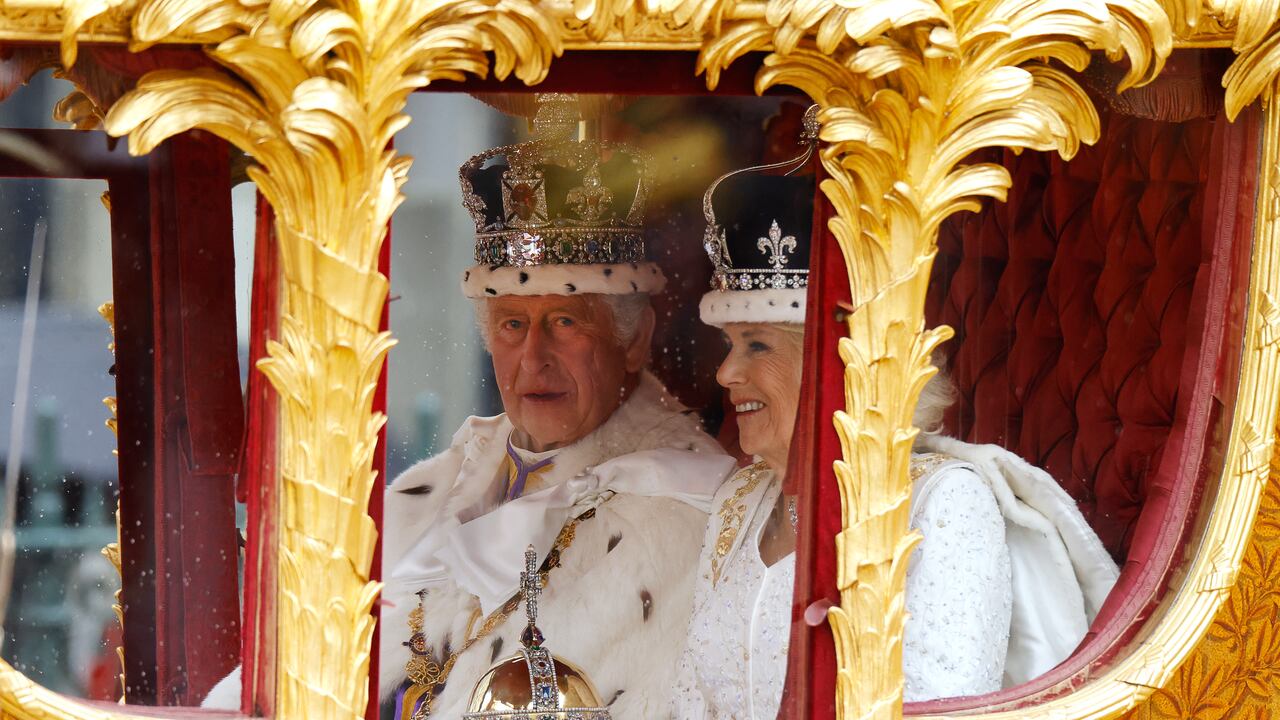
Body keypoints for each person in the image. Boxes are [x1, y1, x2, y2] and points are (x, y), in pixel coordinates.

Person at [670, 107, 1119, 719]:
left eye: (757, 345)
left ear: (837, 363)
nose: (726, 374)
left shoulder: (945, 504)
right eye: (730, 346)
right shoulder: (739, 502)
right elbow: (688, 702)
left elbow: (944, 706)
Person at [379, 95, 735, 720]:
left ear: (635, 340)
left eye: (565, 321)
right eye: (512, 324)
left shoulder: (685, 521)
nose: (533, 357)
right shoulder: (441, 484)